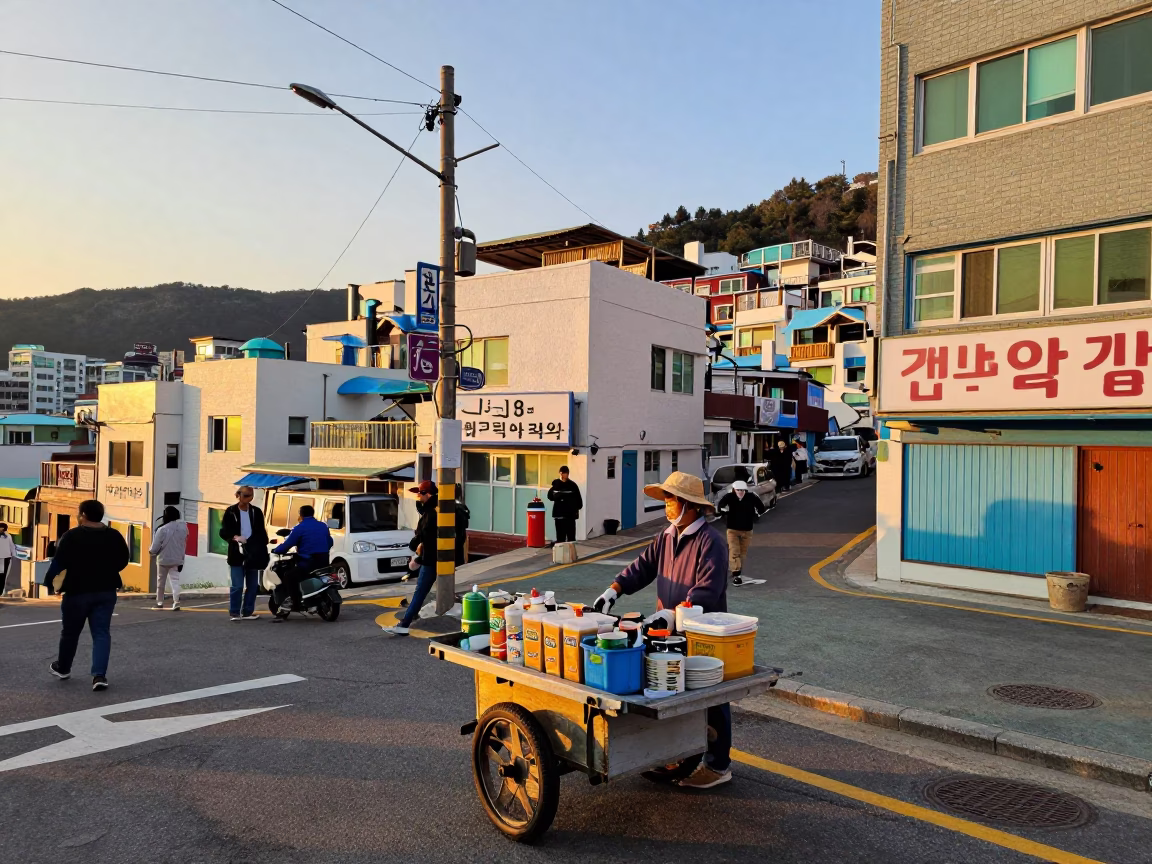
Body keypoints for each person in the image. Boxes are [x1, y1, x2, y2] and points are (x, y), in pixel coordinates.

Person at [591, 471, 733, 790]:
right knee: (667, 691)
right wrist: (613, 590)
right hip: (664, 632)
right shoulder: (667, 536)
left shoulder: (712, 543)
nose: (667, 506)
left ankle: (719, 765)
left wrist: (672, 614)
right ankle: (677, 752)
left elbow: (707, 592)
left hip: (701, 634)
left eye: (671, 500)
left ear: (690, 505)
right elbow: (643, 567)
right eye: (666, 500)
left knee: (710, 696)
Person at [44, 499, 129, 691]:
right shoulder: (114, 535)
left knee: (70, 632)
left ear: (82, 515)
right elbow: (123, 559)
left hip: (77, 591)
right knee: (101, 632)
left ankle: (64, 668)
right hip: (106, 590)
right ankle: (99, 675)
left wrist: (50, 583)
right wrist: (108, 570)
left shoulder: (71, 536)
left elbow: (58, 563)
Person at [382, 480, 439, 635]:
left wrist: (419, 557)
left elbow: (428, 540)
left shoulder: (431, 514)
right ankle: (409, 619)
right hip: (436, 559)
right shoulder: (435, 511)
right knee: (421, 592)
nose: (418, 498)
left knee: (420, 592)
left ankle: (404, 624)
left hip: (431, 560)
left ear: (428, 494)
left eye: (420, 494)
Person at [220, 485, 268, 621]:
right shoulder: (231, 511)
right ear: (238, 495)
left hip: (253, 553)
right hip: (237, 553)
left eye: (251, 495)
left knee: (253, 585)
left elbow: (261, 532)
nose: (249, 498)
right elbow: (224, 531)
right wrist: (235, 537)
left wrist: (263, 546)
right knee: (238, 585)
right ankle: (234, 612)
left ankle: (247, 611)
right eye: (246, 495)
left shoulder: (256, 512)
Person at [272, 504, 333, 608]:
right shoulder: (323, 525)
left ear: (300, 515)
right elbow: (330, 542)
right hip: (324, 561)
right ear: (313, 513)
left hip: (309, 563)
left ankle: (295, 601)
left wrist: (276, 550)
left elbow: (288, 544)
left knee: (289, 576)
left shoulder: (299, 528)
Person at [716, 480, 766, 586]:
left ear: (745, 490)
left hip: (747, 530)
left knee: (743, 552)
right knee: (734, 551)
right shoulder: (729, 497)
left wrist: (755, 516)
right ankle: (736, 574)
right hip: (732, 529)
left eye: (742, 490)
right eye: (738, 490)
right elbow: (720, 506)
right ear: (734, 490)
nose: (740, 492)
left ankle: (737, 571)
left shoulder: (751, 497)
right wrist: (724, 513)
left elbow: (761, 508)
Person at [149, 505, 188, 610]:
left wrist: (151, 551)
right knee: (175, 581)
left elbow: (155, 547)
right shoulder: (184, 527)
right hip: (177, 559)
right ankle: (176, 602)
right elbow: (183, 544)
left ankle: (159, 603)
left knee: (160, 582)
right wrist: (182, 560)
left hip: (163, 559)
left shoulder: (162, 529)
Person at [547, 466, 583, 544]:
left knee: (571, 538)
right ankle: (561, 554)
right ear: (560, 473)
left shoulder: (572, 485)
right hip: (559, 515)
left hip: (570, 515)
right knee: (560, 538)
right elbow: (550, 496)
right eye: (563, 473)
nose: (564, 475)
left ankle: (571, 554)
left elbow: (579, 502)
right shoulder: (556, 484)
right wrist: (557, 496)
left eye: (566, 473)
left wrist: (575, 509)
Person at [454, 484, 470, 567]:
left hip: (454, 535)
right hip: (461, 534)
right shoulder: (463, 507)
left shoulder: (450, 507)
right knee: (460, 554)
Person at [0, 522, 15, 595]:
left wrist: (14, 555)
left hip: (6, 558)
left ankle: (1, 590)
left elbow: (12, 546)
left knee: (3, 575)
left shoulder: (8, 536)